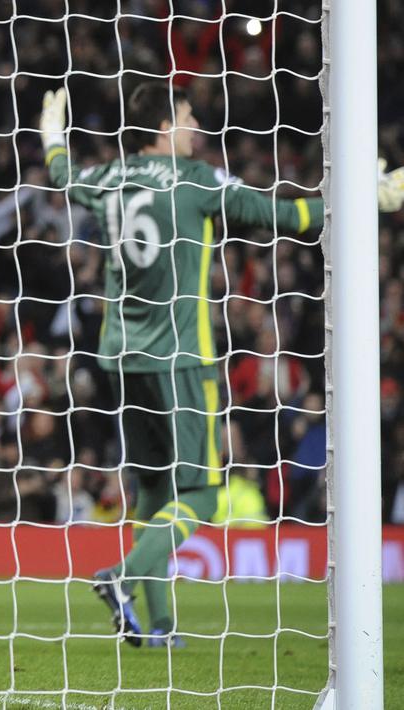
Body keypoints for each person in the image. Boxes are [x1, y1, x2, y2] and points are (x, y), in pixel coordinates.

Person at [37, 81, 404, 648]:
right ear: (163, 127)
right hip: (181, 357)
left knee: (155, 493)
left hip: (119, 357)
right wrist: (362, 197)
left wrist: (52, 138)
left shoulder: (106, 178)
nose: (197, 128)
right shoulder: (195, 181)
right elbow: (279, 213)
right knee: (203, 494)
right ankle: (123, 578)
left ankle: (159, 627)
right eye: (186, 117)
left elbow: (62, 177)